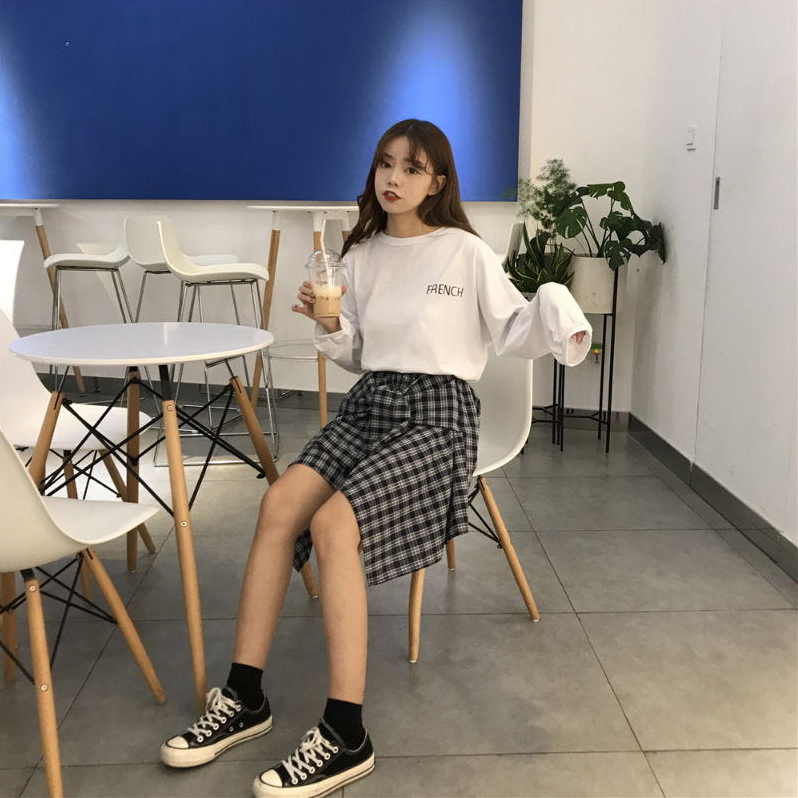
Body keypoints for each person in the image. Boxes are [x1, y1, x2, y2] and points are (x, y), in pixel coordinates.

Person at [160, 119, 591, 798]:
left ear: (437, 182)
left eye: (412, 168)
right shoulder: (358, 256)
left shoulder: (465, 252)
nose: (393, 178)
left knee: (334, 523)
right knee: (279, 504)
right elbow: (358, 353)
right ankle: (244, 696)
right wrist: (329, 321)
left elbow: (514, 328)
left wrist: (558, 307)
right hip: (372, 403)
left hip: (440, 414)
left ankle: (345, 733)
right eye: (386, 163)